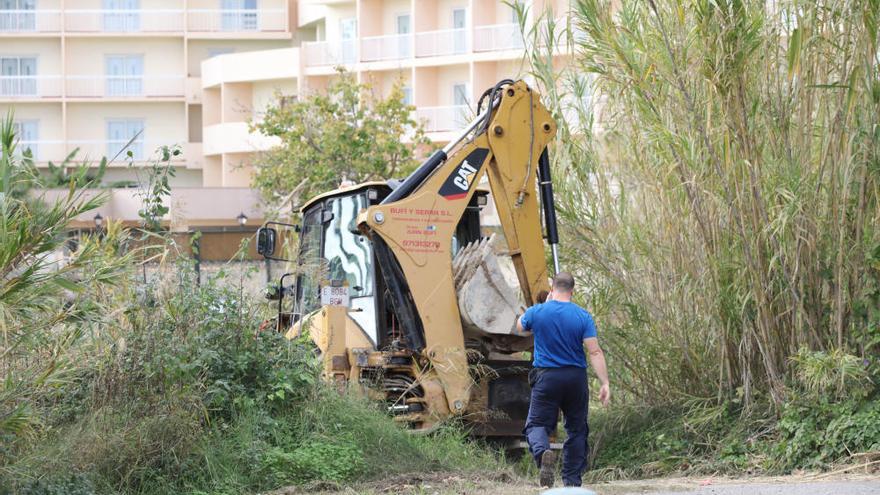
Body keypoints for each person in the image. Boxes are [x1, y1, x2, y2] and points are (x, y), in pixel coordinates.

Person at [516, 272, 610, 488]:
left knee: (536, 424)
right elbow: (595, 352)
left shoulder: (538, 311)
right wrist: (605, 382)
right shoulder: (582, 316)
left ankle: (542, 455)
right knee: (577, 429)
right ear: (572, 291)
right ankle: (572, 482)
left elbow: (519, 327)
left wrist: (544, 305)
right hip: (575, 378)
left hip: (547, 377)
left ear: (552, 289)